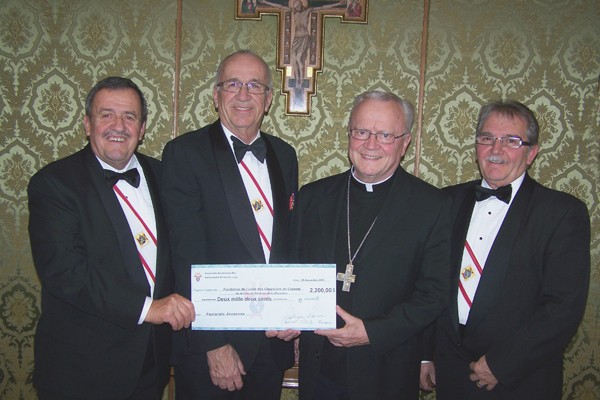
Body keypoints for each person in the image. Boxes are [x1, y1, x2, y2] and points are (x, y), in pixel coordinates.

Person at [28, 76, 196, 400]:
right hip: (81, 372)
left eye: (129, 117)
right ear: (87, 124)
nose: (118, 126)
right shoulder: (54, 184)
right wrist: (149, 309)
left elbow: (186, 250)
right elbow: (66, 273)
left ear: (142, 128)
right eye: (106, 115)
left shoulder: (165, 176)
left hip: (150, 365)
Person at [420, 101, 591, 400]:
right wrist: (426, 354)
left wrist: (502, 364)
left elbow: (563, 307)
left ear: (531, 152)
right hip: (450, 372)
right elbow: (427, 282)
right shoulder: (446, 201)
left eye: (511, 141)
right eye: (487, 138)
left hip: (519, 379)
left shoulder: (562, 213)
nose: (495, 149)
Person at [293, 90, 451, 400]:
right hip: (319, 369)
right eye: (362, 132)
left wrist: (372, 332)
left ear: (405, 143)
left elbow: (434, 294)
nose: (371, 144)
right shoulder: (313, 197)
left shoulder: (432, 206)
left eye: (385, 135)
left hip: (386, 370)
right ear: (349, 135)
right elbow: (293, 270)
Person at [161, 50, 299, 400]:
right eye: (233, 84)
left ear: (269, 99)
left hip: (270, 344)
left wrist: (293, 315)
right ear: (215, 94)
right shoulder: (185, 153)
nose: (243, 95)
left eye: (254, 86)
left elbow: (286, 245)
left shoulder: (285, 155)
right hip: (214, 349)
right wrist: (213, 343)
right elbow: (184, 255)